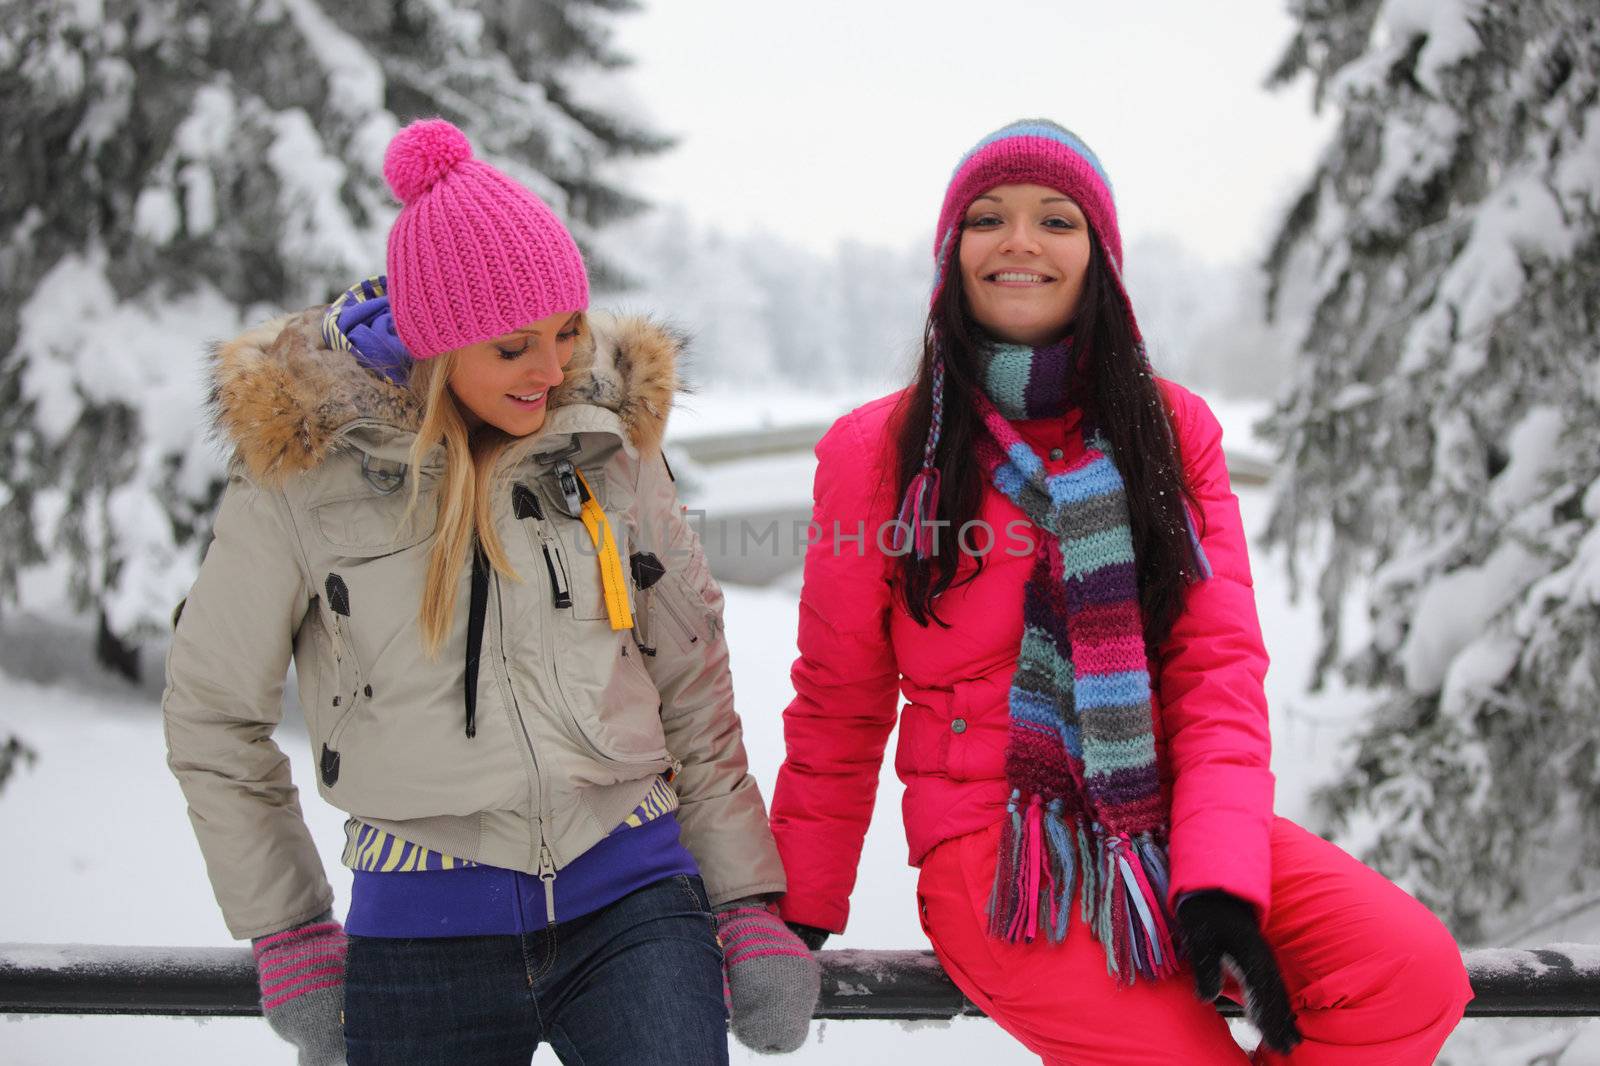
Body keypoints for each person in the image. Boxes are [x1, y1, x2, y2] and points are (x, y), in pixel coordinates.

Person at [768, 119, 1474, 1065]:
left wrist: (1222, 876)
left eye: (1056, 220)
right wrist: (795, 910)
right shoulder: (879, 455)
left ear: (1098, 254)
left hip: (1171, 818)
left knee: (1410, 974)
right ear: (952, 255)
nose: (1019, 242)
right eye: (988, 219)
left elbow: (1215, 668)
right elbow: (839, 699)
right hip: (1000, 853)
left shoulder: (1169, 432)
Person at [163, 118, 820, 1066]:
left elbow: (691, 676)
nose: (554, 370)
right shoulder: (303, 476)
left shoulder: (608, 443)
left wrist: (745, 902)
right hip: (420, 933)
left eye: (567, 331)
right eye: (513, 348)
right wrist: (291, 927)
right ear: (436, 348)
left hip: (634, 903)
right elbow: (211, 712)